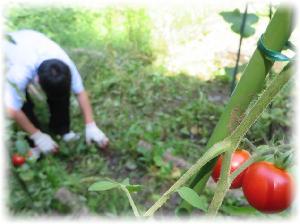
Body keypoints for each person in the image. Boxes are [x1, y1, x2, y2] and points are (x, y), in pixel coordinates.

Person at [4, 29, 109, 157]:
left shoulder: (64, 65)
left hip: (32, 41)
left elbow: (80, 92)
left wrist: (90, 125)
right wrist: (37, 136)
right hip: (9, 52)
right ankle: (34, 141)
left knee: (60, 92)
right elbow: (11, 108)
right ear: (37, 81)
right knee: (23, 103)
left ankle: (61, 129)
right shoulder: (19, 74)